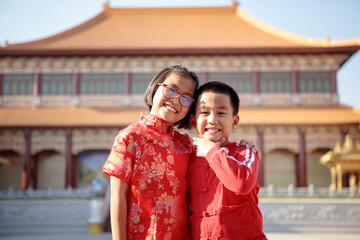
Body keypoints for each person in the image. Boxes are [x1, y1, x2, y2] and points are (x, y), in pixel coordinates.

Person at [103, 65, 199, 240]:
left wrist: (243, 148)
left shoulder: (187, 145)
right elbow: (117, 196)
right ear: (156, 87)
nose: (176, 100)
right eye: (171, 90)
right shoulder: (129, 137)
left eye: (186, 98)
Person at [188, 81, 267, 240]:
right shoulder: (188, 157)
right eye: (204, 112)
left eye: (221, 113)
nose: (212, 120)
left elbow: (241, 183)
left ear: (235, 121)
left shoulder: (245, 152)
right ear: (193, 121)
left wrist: (212, 151)